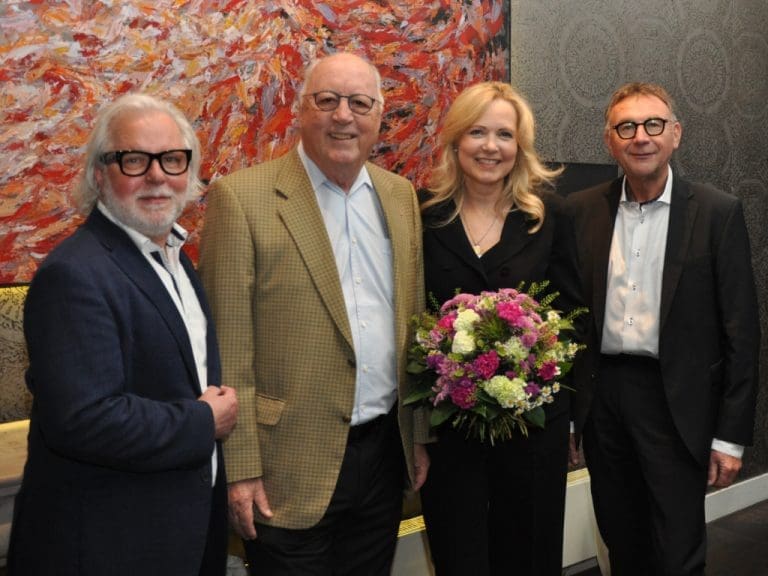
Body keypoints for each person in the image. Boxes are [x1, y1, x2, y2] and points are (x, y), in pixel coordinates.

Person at [198, 52, 429, 575]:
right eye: (327, 100)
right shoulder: (242, 199)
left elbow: (411, 325)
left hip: (382, 455)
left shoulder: (399, 197)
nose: (343, 115)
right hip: (286, 466)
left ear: (379, 116)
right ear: (301, 110)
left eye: (359, 103)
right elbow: (228, 350)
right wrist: (240, 468)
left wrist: (416, 437)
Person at [7, 93, 238, 575]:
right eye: (134, 160)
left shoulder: (176, 259)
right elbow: (84, 420)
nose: (157, 176)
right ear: (99, 175)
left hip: (182, 536)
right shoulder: (73, 274)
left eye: (172, 159)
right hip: (109, 548)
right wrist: (203, 422)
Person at [567, 82, 760, 576]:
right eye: (626, 127)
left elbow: (741, 333)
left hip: (677, 402)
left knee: (677, 550)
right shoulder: (580, 211)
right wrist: (571, 415)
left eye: (653, 124)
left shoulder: (717, 213)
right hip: (604, 399)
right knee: (621, 539)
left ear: (675, 133)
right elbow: (570, 320)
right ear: (609, 140)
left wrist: (730, 438)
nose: (641, 137)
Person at [417, 81, 584, 576]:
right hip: (450, 429)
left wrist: (557, 402)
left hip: (532, 429)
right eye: (477, 132)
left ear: (520, 146)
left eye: (504, 135)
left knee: (529, 556)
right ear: (455, 141)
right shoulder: (423, 213)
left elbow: (573, 318)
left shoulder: (549, 216)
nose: (490, 147)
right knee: (458, 555)